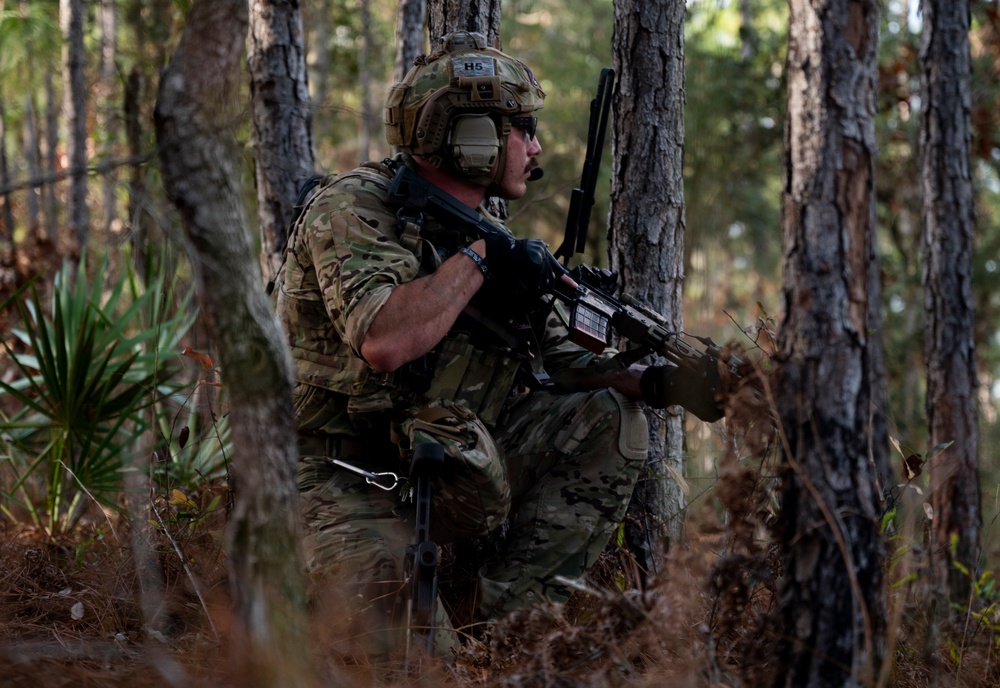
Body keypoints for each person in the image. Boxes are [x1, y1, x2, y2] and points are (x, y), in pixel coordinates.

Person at [273, 31, 721, 663]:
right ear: (471, 137)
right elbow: (385, 338)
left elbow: (565, 357)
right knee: (418, 664)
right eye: (522, 128)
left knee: (610, 420)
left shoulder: (489, 232)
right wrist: (482, 259)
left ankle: (505, 630)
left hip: (442, 466)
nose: (535, 146)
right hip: (333, 477)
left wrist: (655, 380)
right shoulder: (351, 208)